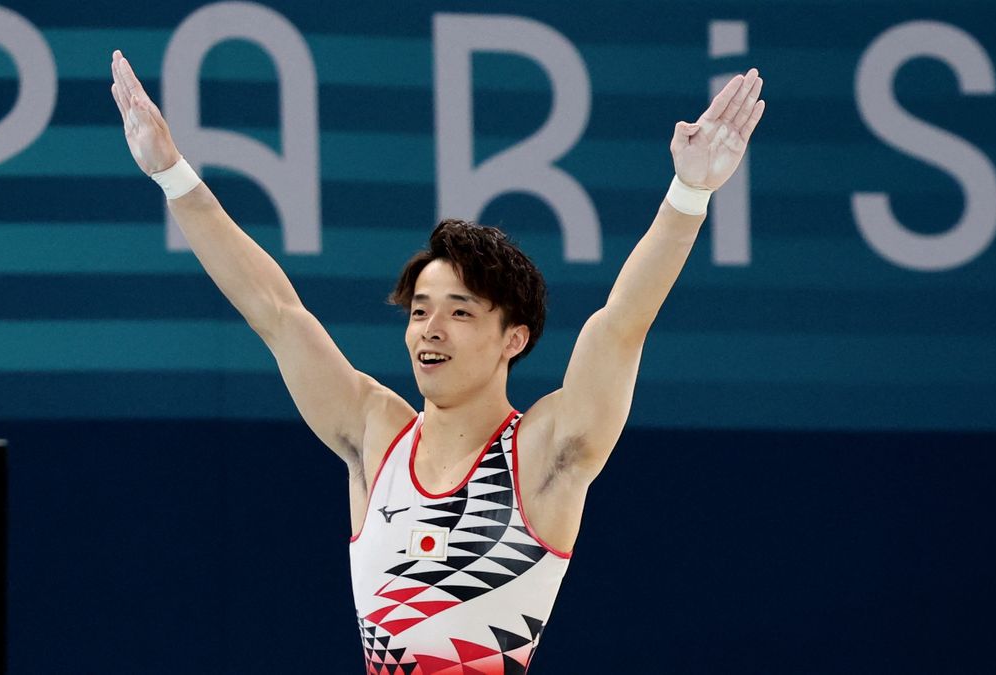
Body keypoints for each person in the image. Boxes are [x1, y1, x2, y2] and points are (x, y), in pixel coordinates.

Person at [110, 50, 764, 674]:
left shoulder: (545, 453)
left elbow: (621, 326)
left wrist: (687, 195)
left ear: (514, 336)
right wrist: (174, 175)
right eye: (420, 309)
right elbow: (275, 312)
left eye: (459, 311)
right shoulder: (375, 437)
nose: (430, 328)